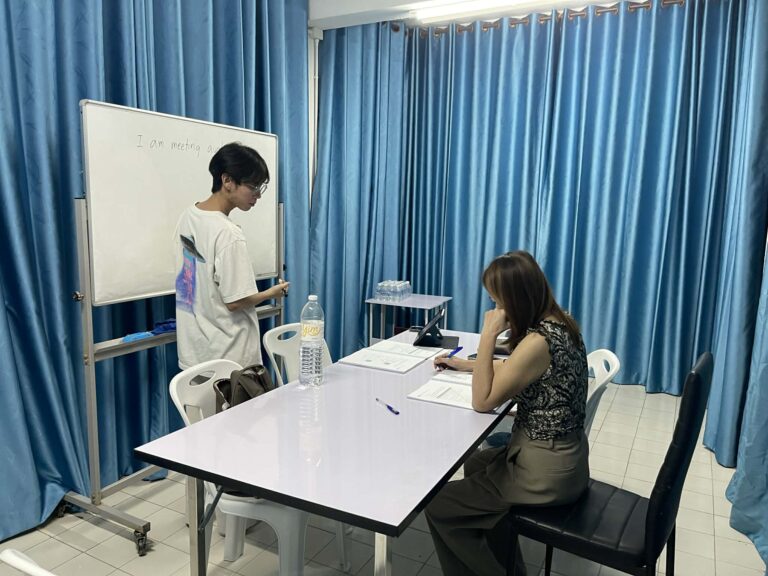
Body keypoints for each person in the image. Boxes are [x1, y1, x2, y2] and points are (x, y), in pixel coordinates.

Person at [425, 250, 589, 576]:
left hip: (545, 472)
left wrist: (488, 335)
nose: (495, 310)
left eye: (497, 302)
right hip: (566, 458)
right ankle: (508, 563)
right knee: (476, 463)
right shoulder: (560, 322)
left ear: (515, 299)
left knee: (439, 507)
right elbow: (516, 368)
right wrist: (466, 365)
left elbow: (482, 401)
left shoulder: (538, 341)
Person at [174, 142, 289, 369]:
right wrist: (272, 292)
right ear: (227, 181)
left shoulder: (188, 217)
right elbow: (236, 301)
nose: (258, 195)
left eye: (261, 187)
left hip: (195, 353)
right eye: (253, 187)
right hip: (230, 358)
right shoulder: (228, 233)